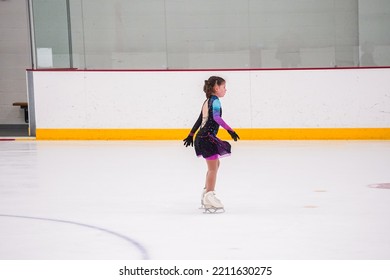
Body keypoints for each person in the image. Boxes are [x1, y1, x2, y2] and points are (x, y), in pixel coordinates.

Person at [183, 76, 239, 213]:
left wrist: (191, 135)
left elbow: (199, 119)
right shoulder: (215, 101)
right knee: (213, 168)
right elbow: (216, 117)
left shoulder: (207, 101)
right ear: (216, 88)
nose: (226, 90)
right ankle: (209, 195)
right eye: (224, 87)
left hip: (203, 137)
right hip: (206, 138)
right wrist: (230, 131)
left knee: (215, 165)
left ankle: (206, 192)